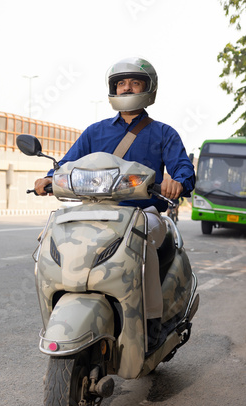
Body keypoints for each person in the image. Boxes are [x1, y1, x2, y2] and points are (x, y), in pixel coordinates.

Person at [34, 56, 195, 355]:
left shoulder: (163, 133)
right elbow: (68, 162)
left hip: (142, 212)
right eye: (120, 83)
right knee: (52, 234)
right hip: (93, 210)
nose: (126, 88)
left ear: (148, 88)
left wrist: (178, 181)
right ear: (113, 89)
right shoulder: (95, 132)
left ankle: (151, 324)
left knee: (143, 242)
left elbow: (183, 169)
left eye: (134, 82)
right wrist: (47, 179)